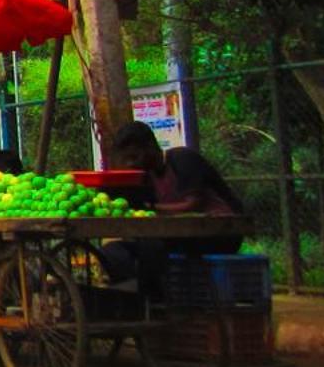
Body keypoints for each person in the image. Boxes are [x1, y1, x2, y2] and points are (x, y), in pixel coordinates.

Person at [99, 121, 246, 286]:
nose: (131, 164)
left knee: (151, 247)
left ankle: (154, 298)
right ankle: (136, 294)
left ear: (150, 147)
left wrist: (151, 208)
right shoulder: (147, 177)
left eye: (134, 157)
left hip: (220, 232)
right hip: (181, 235)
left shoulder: (181, 159)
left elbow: (193, 204)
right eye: (127, 160)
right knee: (113, 251)